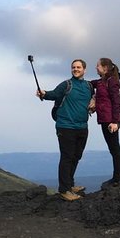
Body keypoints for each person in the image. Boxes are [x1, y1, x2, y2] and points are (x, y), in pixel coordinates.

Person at [36, 59, 93, 201]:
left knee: (76, 156)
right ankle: (64, 190)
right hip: (65, 126)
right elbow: (54, 94)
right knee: (67, 157)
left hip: (82, 127)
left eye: (78, 67)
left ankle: (70, 184)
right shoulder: (67, 84)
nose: (76, 69)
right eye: (73, 67)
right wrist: (43, 93)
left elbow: (93, 98)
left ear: (84, 69)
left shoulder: (89, 86)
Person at [91, 57, 120, 187]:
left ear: (105, 68)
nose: (96, 68)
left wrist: (115, 122)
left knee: (115, 148)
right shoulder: (102, 81)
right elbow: (90, 84)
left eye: (97, 66)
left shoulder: (112, 81)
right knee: (113, 148)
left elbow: (116, 102)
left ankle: (117, 179)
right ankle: (116, 178)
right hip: (104, 120)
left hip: (111, 121)